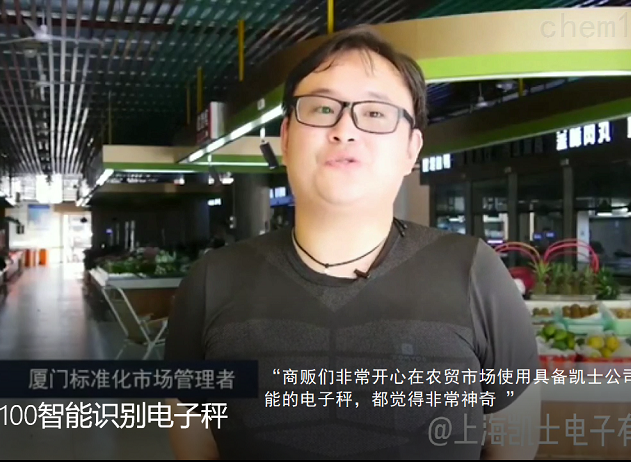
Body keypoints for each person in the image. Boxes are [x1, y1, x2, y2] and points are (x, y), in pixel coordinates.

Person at [165, 25, 540, 460]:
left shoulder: (474, 273)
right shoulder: (211, 282)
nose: (345, 129)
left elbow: (513, 446)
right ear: (286, 137)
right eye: (322, 108)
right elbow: (195, 446)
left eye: (376, 113)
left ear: (411, 148)